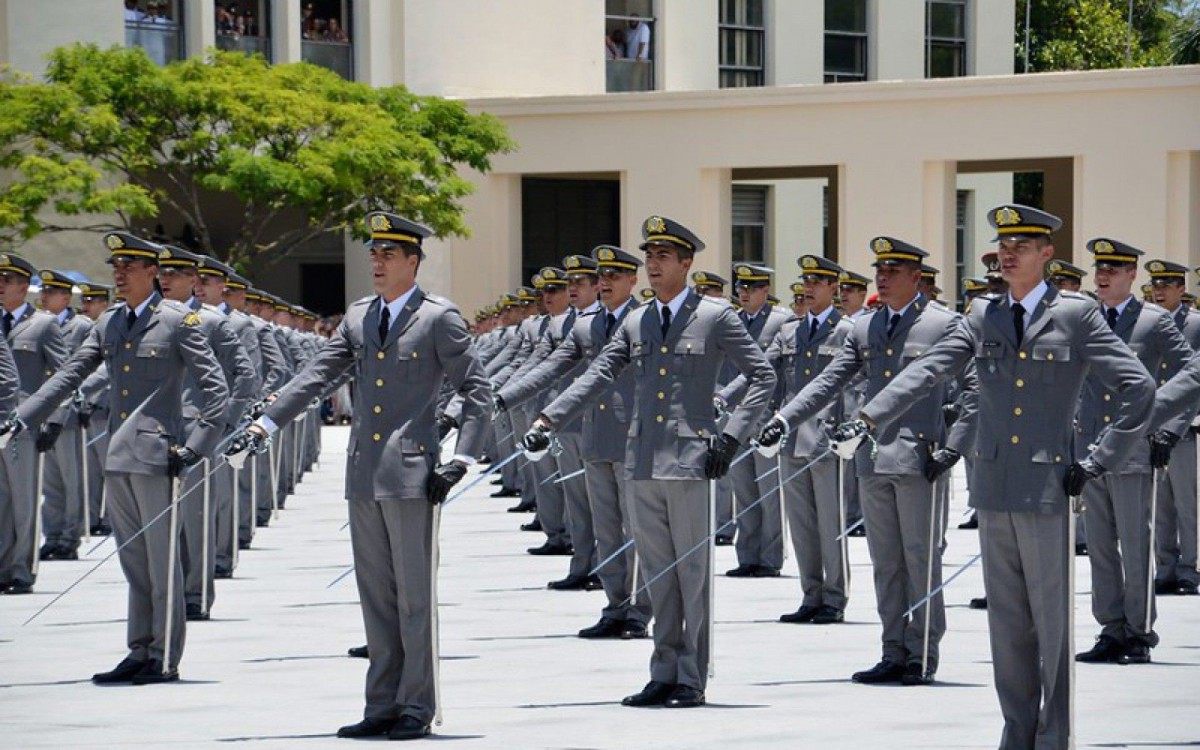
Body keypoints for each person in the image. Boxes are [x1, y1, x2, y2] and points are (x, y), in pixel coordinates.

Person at [831, 204, 1154, 749]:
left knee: (1052, 623)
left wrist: (1097, 459)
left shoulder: (1074, 314)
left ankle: (1054, 736)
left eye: (1021, 246)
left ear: (1047, 253)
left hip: (1049, 484)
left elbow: (1139, 387)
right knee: (1006, 624)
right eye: (1003, 245)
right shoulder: (983, 314)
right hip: (994, 485)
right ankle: (1017, 732)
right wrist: (869, 416)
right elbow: (929, 367)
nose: (1008, 254)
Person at [229, 211, 490, 741]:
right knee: (376, 596)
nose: (376, 261)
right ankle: (382, 703)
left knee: (414, 597)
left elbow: (478, 393)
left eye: (388, 253)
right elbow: (316, 377)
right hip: (364, 472)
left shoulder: (439, 318)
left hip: (415, 471)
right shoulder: (359, 317)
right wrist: (265, 423)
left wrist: (461, 459)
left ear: (413, 261)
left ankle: (416, 706)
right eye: (373, 252)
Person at [524, 215, 776, 709]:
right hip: (641, 460)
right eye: (649, 256)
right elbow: (597, 374)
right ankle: (663, 671)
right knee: (659, 574)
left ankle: (691, 677)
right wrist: (549, 419)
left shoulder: (715, 316)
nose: (654, 264)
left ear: (686, 262)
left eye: (663, 256)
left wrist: (728, 438)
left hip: (689, 461)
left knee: (691, 574)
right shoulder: (637, 320)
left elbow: (762, 376)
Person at [5, 231, 228, 682]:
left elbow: (216, 391)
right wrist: (23, 417)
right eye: (115, 268)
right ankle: (139, 648)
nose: (119, 275)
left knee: (162, 561)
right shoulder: (110, 323)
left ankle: (163, 656)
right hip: (119, 453)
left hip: (158, 455)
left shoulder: (177, 323)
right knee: (134, 560)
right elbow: (71, 373)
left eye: (128, 267)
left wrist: (194, 448)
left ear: (153, 273)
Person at [498, 245, 651, 638]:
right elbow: (551, 368)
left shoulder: (645, 320)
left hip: (636, 440)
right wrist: (501, 398)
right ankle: (616, 605)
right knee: (606, 527)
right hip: (594, 437)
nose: (605, 284)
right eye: (601, 277)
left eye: (613, 276)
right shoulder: (586, 326)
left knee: (638, 531)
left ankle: (641, 609)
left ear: (633, 280)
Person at [1073, 239, 1191, 666]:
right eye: (1099, 270)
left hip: (1134, 448)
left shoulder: (1154, 322)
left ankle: (1139, 630)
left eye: (1112, 270)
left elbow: (1189, 376)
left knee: (1135, 541)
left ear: (1130, 276)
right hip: (1089, 447)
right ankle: (1110, 627)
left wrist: (1169, 430)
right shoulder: (1082, 318)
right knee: (1100, 544)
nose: (1102, 277)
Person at [739, 255, 855, 623]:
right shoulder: (790, 331)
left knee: (829, 525)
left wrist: (849, 425)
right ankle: (811, 595)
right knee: (803, 524)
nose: (809, 287)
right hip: (792, 439)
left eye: (818, 281)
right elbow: (761, 372)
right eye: (806, 280)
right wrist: (724, 398)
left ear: (833, 287)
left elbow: (855, 386)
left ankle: (834, 599)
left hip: (826, 438)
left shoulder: (847, 331)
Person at [155, 246, 254, 621]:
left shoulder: (211, 323)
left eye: (175, 275)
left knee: (195, 519)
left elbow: (246, 377)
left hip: (199, 430)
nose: (165, 280)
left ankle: (195, 594)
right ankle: (168, 593)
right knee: (164, 520)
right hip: (161, 430)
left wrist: (224, 424)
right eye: (162, 274)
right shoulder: (153, 321)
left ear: (194, 282)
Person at [0, 255, 67, 595]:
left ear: (24, 287)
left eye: (6, 280)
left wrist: (54, 420)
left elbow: (62, 374)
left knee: (25, 500)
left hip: (24, 423)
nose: (0, 285)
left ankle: (22, 570)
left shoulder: (43, 324)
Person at [720, 263, 791, 578]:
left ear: (765, 290)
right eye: (741, 288)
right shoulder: (731, 321)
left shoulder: (781, 321)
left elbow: (783, 372)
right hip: (737, 419)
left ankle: (770, 557)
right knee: (743, 490)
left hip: (766, 417)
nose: (744, 293)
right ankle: (747, 555)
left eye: (751, 288)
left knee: (769, 492)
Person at [1145, 259, 1200, 596]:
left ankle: (1188, 568)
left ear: (1181, 289)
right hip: (1150, 424)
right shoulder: (1146, 322)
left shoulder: (1195, 324)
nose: (1160, 291)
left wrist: (1174, 427)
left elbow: (1193, 383)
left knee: (1185, 501)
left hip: (1182, 428)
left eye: (1167, 285)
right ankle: (1164, 566)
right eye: (1156, 285)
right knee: (1159, 501)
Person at [35, 270, 94, 562]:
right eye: (43, 291)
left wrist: (84, 403)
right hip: (43, 412)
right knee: (51, 482)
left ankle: (70, 537)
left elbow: (88, 367)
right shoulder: (34, 323)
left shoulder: (81, 327)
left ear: (66, 297)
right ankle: (53, 535)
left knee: (72, 480)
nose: (44, 296)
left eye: (51, 292)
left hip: (69, 413)